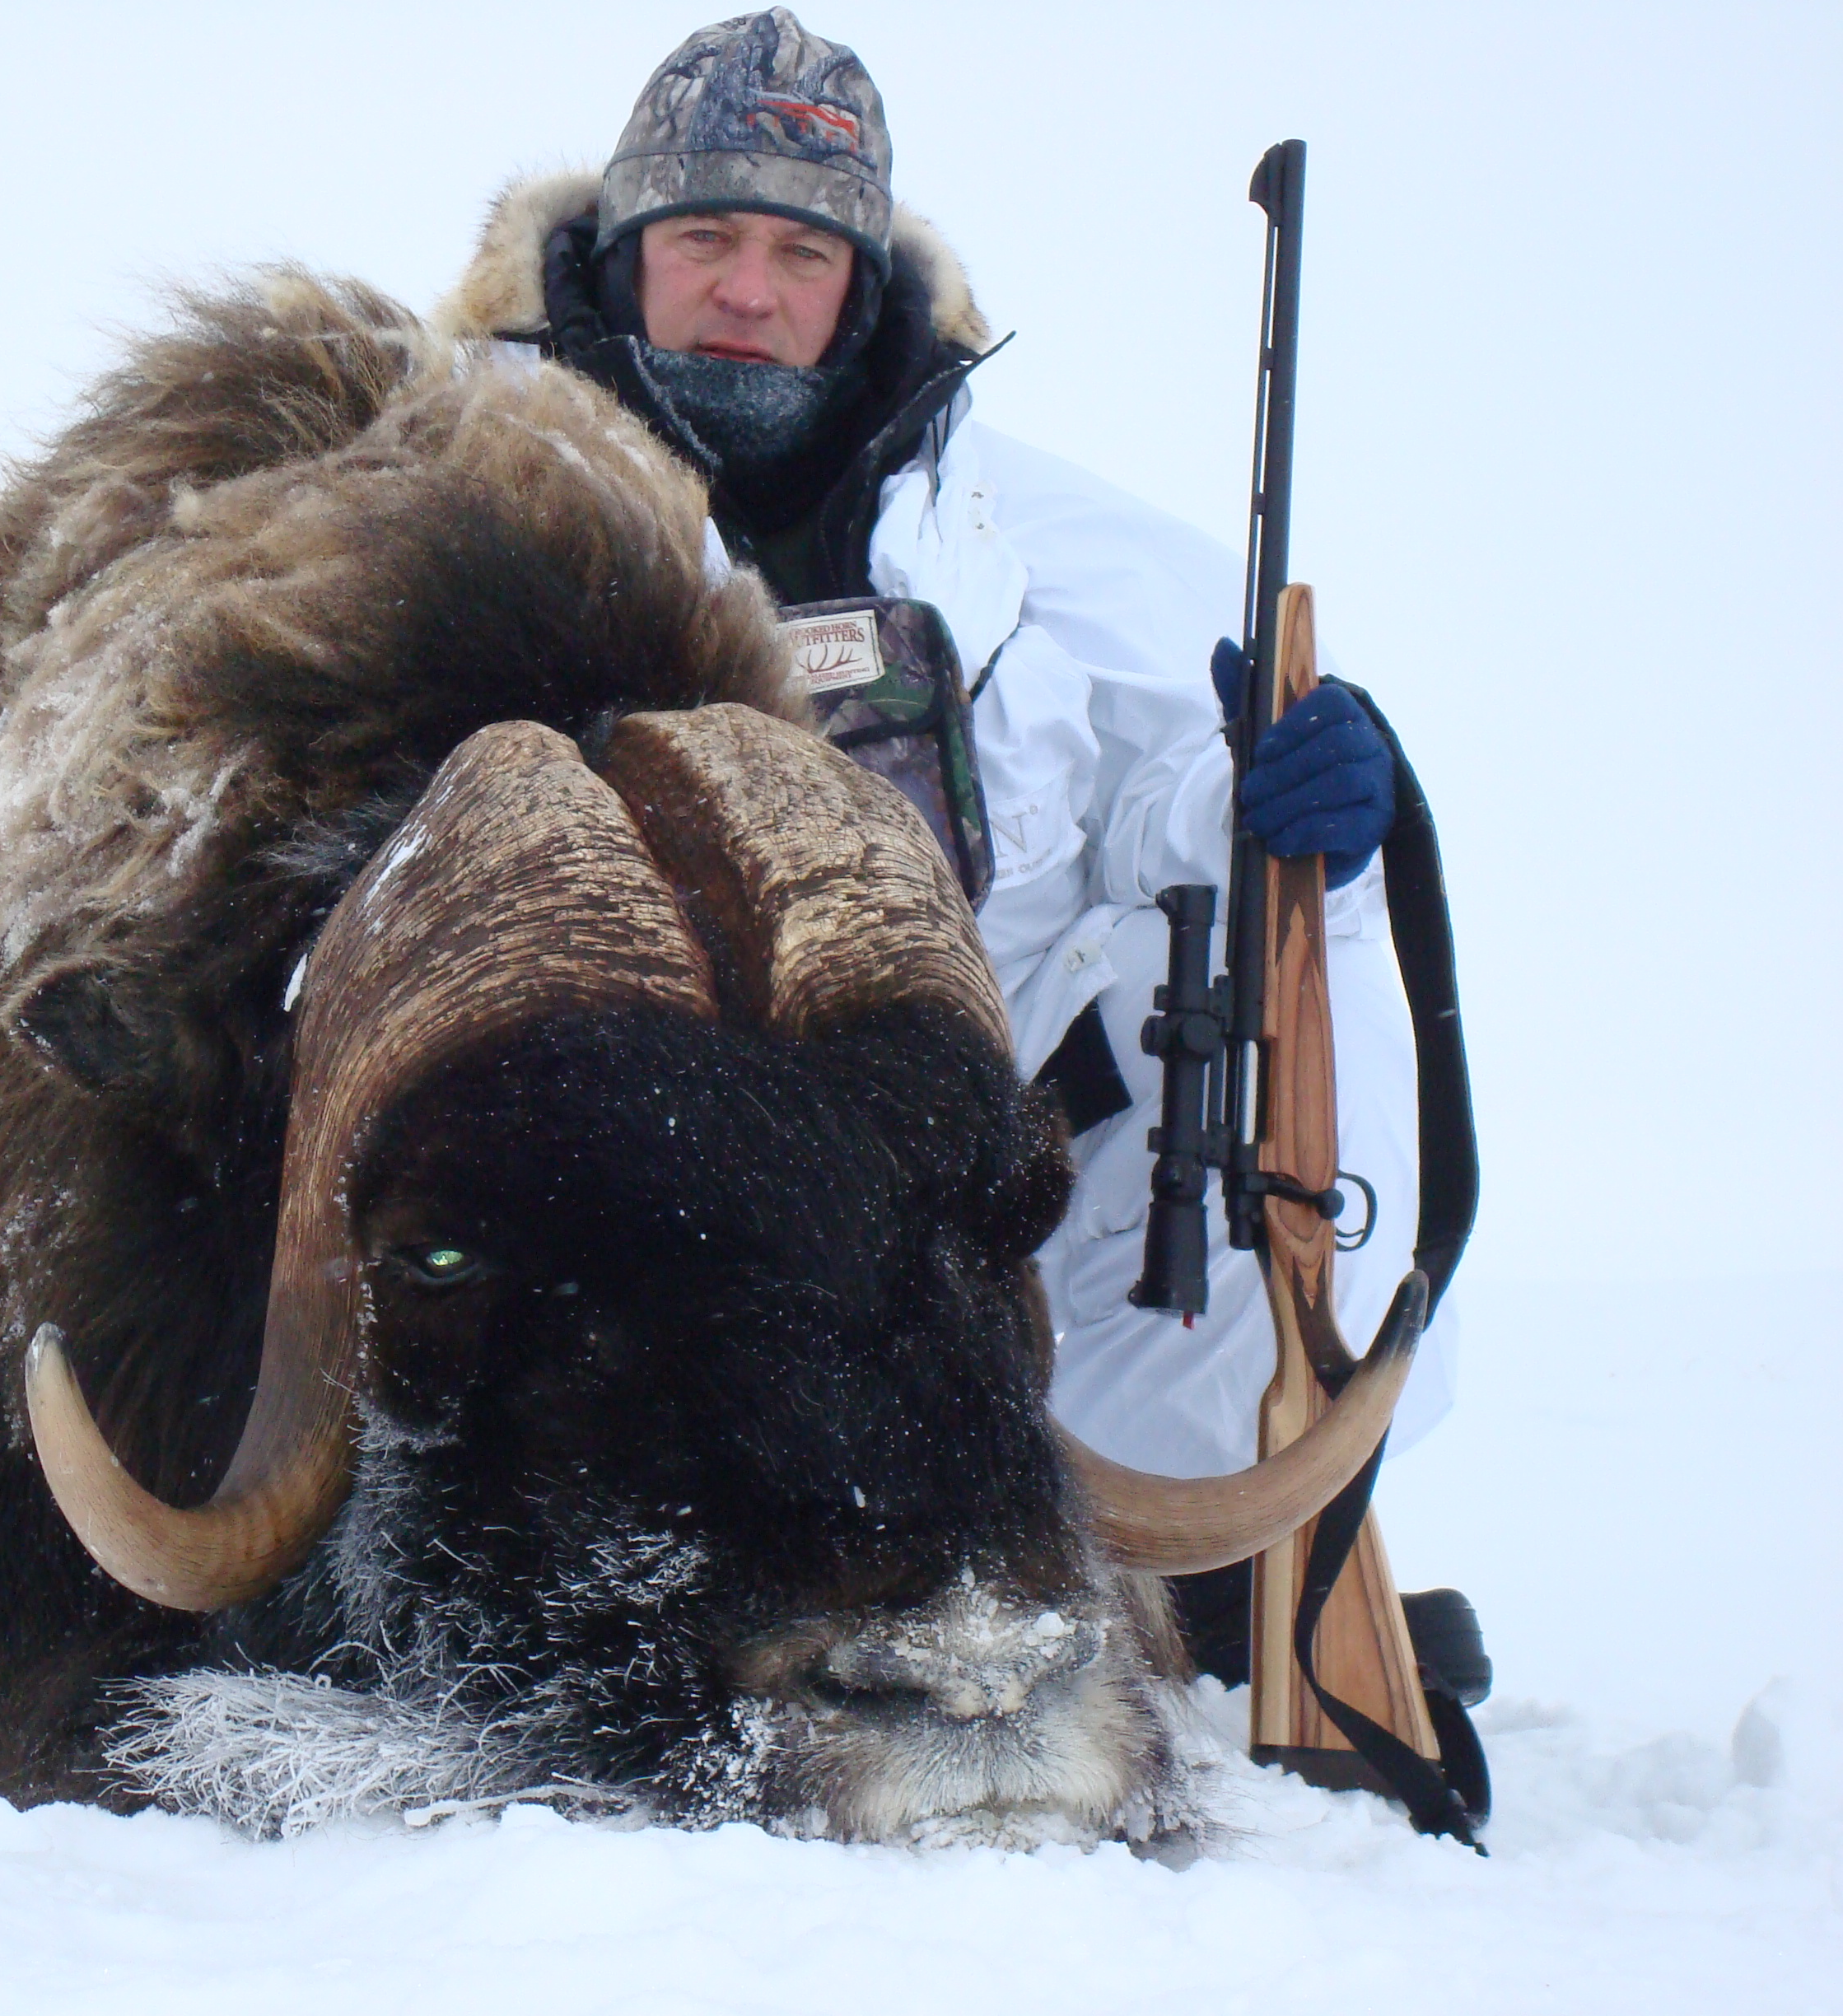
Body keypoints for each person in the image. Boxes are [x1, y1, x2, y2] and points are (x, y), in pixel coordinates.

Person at [429, 9, 1460, 1618]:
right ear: (621, 254)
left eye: (800, 250)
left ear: (864, 282)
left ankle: (1220, 1583)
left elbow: (1170, 821)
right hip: (603, 1186)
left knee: (1281, 1017)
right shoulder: (433, 518)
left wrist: (1287, 807)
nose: (750, 291)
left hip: (952, 1184)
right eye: (705, 236)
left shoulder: (1068, 555)